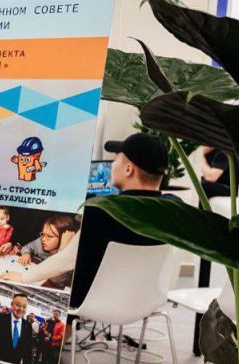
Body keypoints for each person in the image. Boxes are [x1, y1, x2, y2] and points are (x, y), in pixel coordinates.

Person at [70, 132, 180, 308]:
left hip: (90, 302)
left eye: (116, 159)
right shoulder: (175, 207)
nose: (112, 165)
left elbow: (67, 260)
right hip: (144, 301)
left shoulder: (98, 211)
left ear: (129, 169)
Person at [3, 214, 79, 288]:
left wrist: (63, 250)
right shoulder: (39, 242)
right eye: (43, 234)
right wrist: (26, 253)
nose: (43, 239)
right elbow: (28, 247)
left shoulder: (69, 256)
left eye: (49, 236)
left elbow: (58, 281)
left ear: (62, 239)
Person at [0, 294, 34, 364]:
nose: (20, 309)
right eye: (18, 305)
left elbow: (28, 351)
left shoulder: (28, 326)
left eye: (24, 306)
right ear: (12, 304)